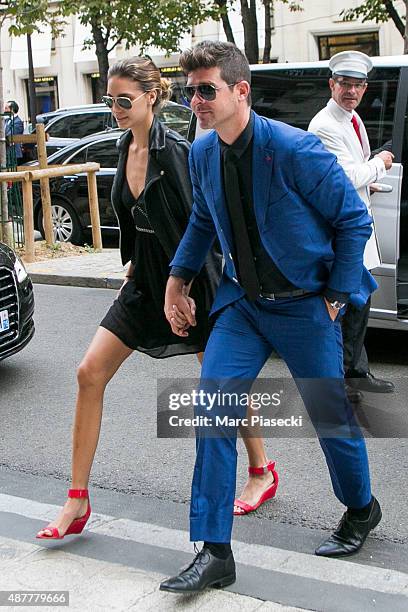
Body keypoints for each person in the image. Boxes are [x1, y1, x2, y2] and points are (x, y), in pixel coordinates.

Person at [161, 41, 381, 593]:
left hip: (305, 305)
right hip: (243, 305)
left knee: (329, 418)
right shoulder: (203, 152)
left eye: (206, 90)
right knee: (211, 410)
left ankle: (361, 508)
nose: (197, 102)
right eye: (190, 92)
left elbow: (354, 220)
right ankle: (213, 550)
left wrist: (335, 295)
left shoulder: (296, 150)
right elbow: (203, 222)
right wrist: (176, 279)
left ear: (241, 91)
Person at [35, 56, 221, 540]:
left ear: (151, 97)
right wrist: (136, 268)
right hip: (144, 282)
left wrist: (184, 288)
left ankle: (262, 467)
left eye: (124, 100)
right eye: (109, 100)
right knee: (88, 373)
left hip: (189, 279)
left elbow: (199, 226)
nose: (115, 109)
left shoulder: (176, 151)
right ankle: (77, 500)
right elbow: (139, 217)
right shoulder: (122, 147)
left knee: (221, 379)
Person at [308, 50, 395, 401]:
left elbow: (346, 176)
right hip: (341, 229)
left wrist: (366, 180)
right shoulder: (325, 124)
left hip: (358, 224)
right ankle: (337, 382)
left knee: (360, 304)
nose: (351, 91)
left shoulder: (352, 119)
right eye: (345, 83)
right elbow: (346, 174)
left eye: (358, 85)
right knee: (342, 308)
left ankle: (357, 372)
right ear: (332, 84)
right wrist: (381, 163)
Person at [4, 100, 24, 165]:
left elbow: (9, 135)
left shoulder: (18, 122)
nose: (4, 110)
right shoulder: (6, 120)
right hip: (6, 153)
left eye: (6, 108)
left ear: (12, 109)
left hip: (13, 154)